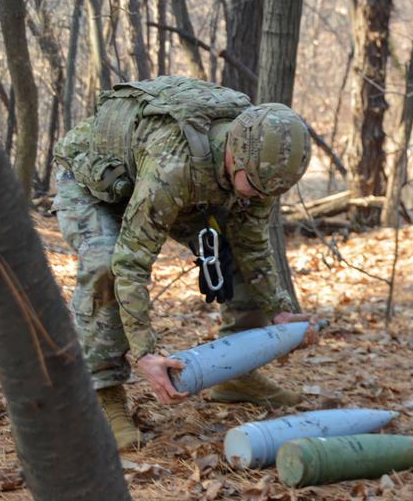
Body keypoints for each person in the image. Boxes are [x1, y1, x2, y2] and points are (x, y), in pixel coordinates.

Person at [52, 76, 315, 449]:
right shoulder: (173, 166)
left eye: (269, 193)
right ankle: (103, 393)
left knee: (234, 250)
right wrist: (145, 352)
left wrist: (279, 310)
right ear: (235, 156)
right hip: (94, 181)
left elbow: (252, 244)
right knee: (105, 262)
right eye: (256, 187)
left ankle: (235, 374)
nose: (261, 197)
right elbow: (131, 262)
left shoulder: (261, 170)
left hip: (167, 181)